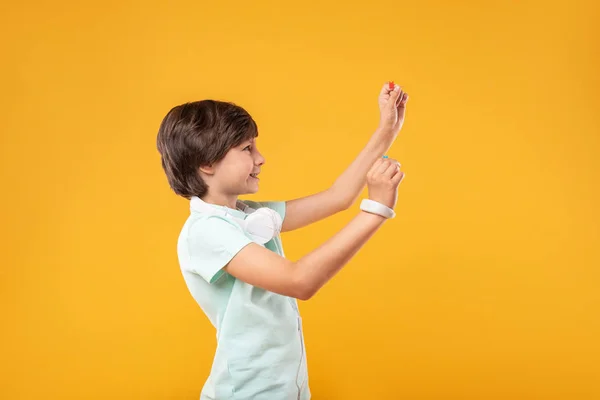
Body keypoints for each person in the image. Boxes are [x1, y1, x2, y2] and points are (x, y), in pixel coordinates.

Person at [156, 82, 409, 399]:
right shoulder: (207, 230)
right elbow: (299, 281)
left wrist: (387, 130)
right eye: (247, 149)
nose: (261, 159)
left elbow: (338, 197)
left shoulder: (247, 214)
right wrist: (376, 210)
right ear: (206, 162)